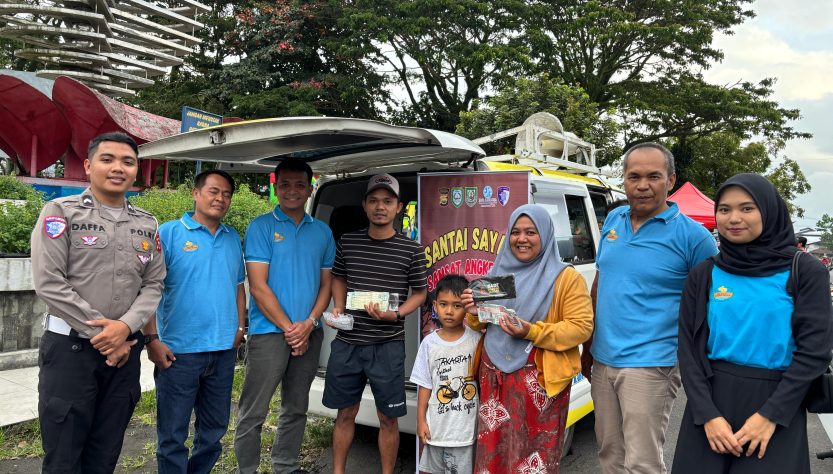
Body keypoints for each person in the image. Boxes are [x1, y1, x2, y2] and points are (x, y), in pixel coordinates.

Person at [673, 173, 833, 473]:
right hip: (712, 402)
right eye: (724, 209)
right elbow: (688, 349)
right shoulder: (704, 273)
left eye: (747, 208)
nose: (734, 218)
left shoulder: (805, 271)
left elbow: (815, 351)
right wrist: (707, 414)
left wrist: (770, 415)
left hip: (777, 402)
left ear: (769, 211)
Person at [30, 132, 166, 473]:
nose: (118, 168)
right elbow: (49, 281)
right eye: (108, 159)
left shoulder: (147, 224)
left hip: (124, 356)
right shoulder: (61, 212)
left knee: (105, 455)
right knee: (63, 458)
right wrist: (105, 336)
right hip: (70, 353)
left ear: (136, 170)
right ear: (89, 166)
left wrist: (124, 328)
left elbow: (153, 284)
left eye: (128, 162)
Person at [581, 142, 718, 474]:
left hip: (652, 364)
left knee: (642, 462)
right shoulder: (613, 220)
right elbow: (600, 283)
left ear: (670, 180)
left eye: (653, 176)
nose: (642, 185)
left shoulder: (695, 238)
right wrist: (588, 346)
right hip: (603, 360)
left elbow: (711, 304)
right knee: (609, 454)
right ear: (624, 180)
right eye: (634, 176)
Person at [461, 204, 594, 473]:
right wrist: (474, 312)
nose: (521, 239)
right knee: (493, 453)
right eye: (515, 232)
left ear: (545, 235)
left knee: (533, 458)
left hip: (539, 379)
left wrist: (531, 332)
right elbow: (484, 322)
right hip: (494, 376)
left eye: (531, 232)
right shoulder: (498, 275)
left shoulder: (565, 278)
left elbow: (581, 327)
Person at [233, 158, 336, 474]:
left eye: (300, 185)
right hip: (269, 334)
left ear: (310, 188)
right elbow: (258, 287)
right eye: (285, 184)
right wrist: (292, 330)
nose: (292, 191)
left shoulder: (322, 232)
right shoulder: (261, 227)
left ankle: (286, 466)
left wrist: (310, 324)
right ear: (276, 188)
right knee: (254, 411)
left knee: (296, 408)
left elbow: (327, 285)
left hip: (309, 332)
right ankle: (247, 470)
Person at [322, 173, 428, 474]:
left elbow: (420, 293)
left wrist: (396, 314)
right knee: (345, 413)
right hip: (348, 343)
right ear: (365, 206)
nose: (380, 207)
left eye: (387, 201)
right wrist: (339, 306)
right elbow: (339, 277)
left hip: (387, 345)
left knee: (388, 418)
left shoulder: (412, 249)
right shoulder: (348, 241)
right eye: (374, 201)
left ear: (399, 207)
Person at [144, 169, 246, 473]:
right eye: (214, 191)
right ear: (196, 193)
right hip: (179, 352)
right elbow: (148, 288)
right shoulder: (169, 233)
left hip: (223, 351)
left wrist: (240, 328)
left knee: (214, 431)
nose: (220, 199)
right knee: (173, 434)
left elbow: (238, 286)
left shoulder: (232, 237)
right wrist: (151, 339)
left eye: (226, 194)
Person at [410, 275, 481, 474]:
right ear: (435, 305)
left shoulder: (476, 340)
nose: (449, 311)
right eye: (443, 304)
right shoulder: (429, 344)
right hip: (436, 431)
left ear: (467, 307)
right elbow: (425, 384)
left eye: (457, 306)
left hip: (465, 433)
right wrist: (420, 421)